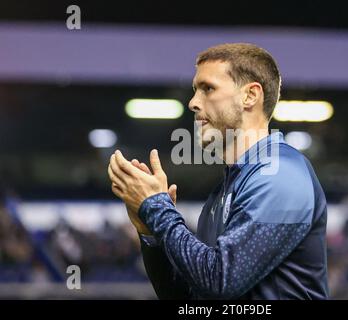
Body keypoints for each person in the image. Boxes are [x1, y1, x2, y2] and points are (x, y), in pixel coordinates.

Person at [108, 43, 329, 299]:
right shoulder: (223, 193)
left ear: (250, 96)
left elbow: (220, 282)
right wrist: (151, 232)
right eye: (195, 90)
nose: (192, 103)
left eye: (208, 89)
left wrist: (158, 208)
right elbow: (187, 298)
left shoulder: (280, 176)